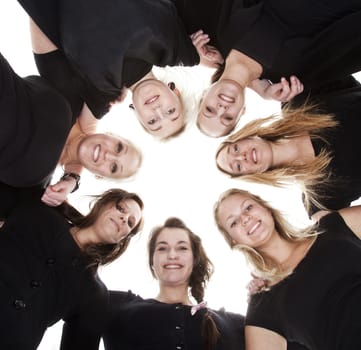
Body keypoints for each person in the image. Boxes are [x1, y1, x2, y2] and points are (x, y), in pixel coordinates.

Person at [19, 0, 221, 139]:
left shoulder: (103, 92)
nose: (158, 110)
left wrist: (74, 173)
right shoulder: (172, 48)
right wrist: (196, 56)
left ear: (137, 114)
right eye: (171, 111)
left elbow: (85, 130)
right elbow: (200, 54)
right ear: (174, 91)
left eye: (152, 121)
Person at [60, 217, 246, 350]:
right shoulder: (113, 304)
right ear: (152, 261)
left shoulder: (234, 323)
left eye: (182, 248)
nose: (172, 254)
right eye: (162, 248)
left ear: (195, 259)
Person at [214, 187, 361, 349]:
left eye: (248, 207)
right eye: (233, 222)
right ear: (233, 241)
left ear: (266, 208)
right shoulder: (263, 304)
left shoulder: (334, 226)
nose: (245, 219)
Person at [0, 186, 144, 350]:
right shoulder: (40, 210)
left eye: (130, 222)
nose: (124, 218)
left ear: (123, 239)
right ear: (103, 203)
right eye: (121, 208)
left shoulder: (95, 293)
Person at [0, 43, 142, 206]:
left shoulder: (38, 191)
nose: (108, 155)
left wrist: (72, 178)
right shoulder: (72, 100)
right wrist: (111, 86)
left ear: (99, 177)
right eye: (119, 147)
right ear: (112, 134)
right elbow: (42, 23)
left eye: (114, 167)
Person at [194, 0, 361, 136]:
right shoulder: (290, 79)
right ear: (242, 111)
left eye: (209, 109)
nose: (222, 108)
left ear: (204, 94)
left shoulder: (216, 32)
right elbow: (347, 40)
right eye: (228, 118)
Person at [215, 75, 361, 217]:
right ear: (251, 175)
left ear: (245, 137)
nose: (242, 156)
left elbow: (340, 64)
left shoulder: (297, 101)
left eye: (235, 149)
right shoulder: (317, 200)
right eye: (238, 166)